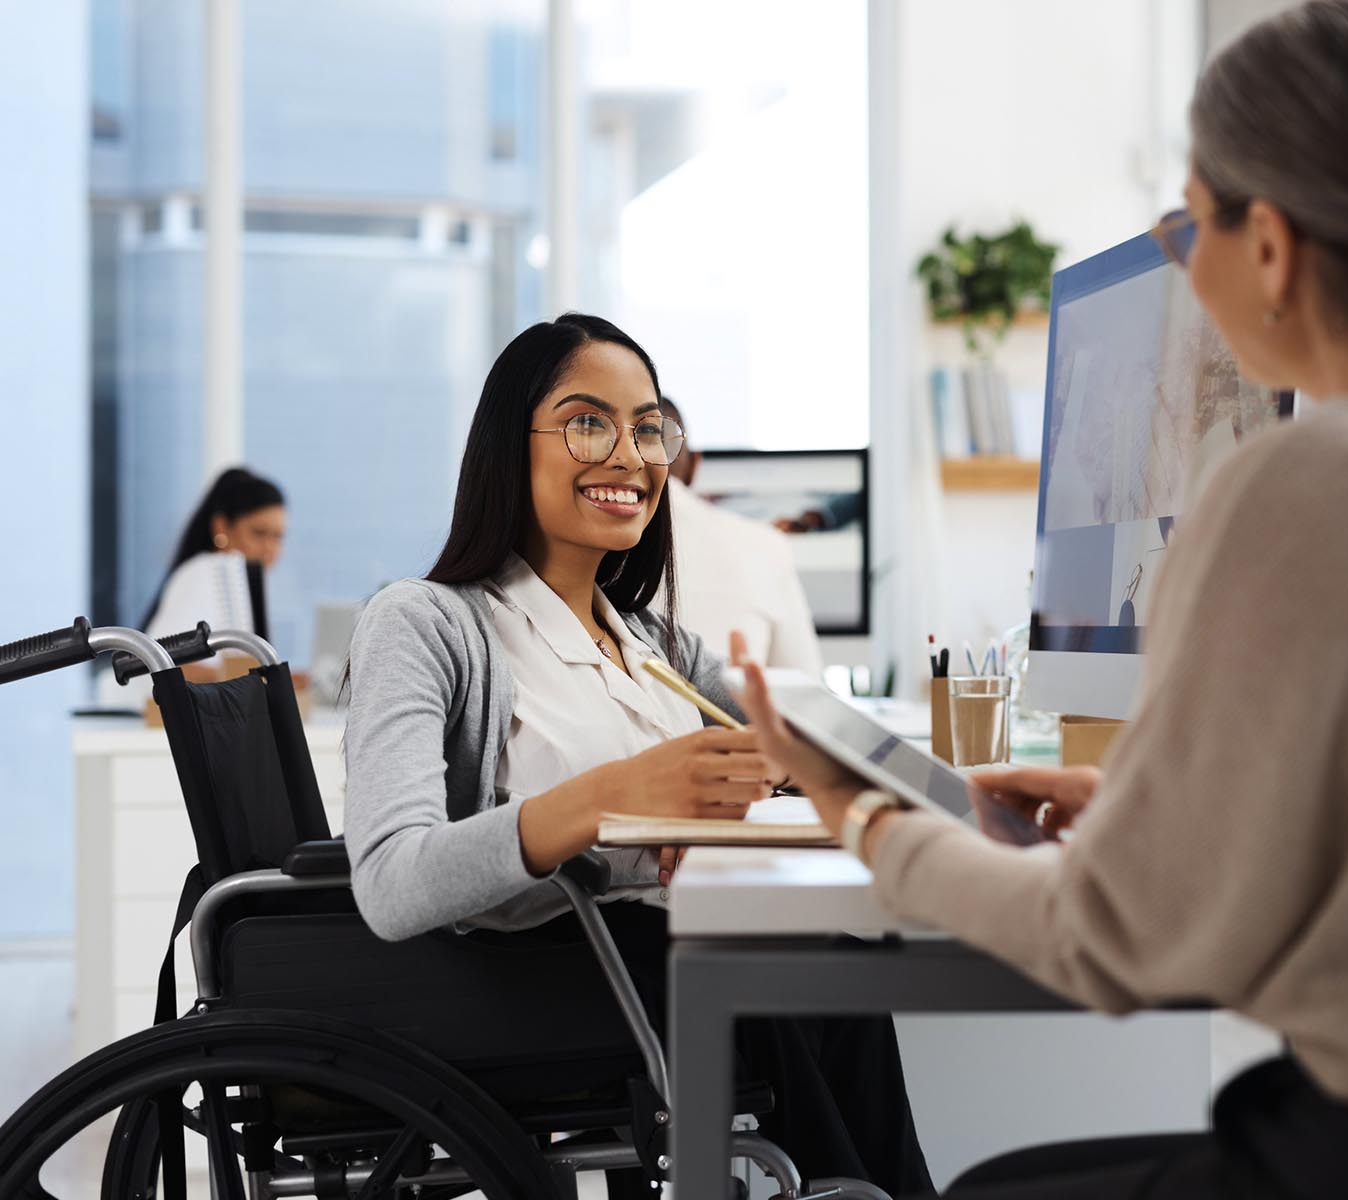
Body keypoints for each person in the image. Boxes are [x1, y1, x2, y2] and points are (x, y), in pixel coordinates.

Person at [736, 3, 1348, 1197]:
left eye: (1189, 219)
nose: (1177, 256)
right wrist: (1161, 809)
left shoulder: (1305, 479)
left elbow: (1108, 947)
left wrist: (867, 818)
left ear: (1272, 246)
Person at [341, 314, 931, 1197]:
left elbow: (803, 750)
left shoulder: (654, 643)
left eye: (649, 427)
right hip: (528, 984)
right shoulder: (427, 622)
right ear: (513, 444)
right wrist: (616, 797)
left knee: (847, 970)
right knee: (788, 983)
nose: (630, 454)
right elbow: (392, 883)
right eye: (589, 422)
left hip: (653, 960)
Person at [657, 397, 825, 675]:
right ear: (694, 466)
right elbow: (805, 681)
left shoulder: (594, 543)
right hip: (740, 714)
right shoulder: (768, 545)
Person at [141, 466, 286, 639]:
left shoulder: (247, 586)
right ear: (221, 526)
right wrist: (231, 668)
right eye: (258, 533)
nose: (270, 547)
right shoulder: (204, 572)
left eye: (278, 536)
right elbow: (166, 656)